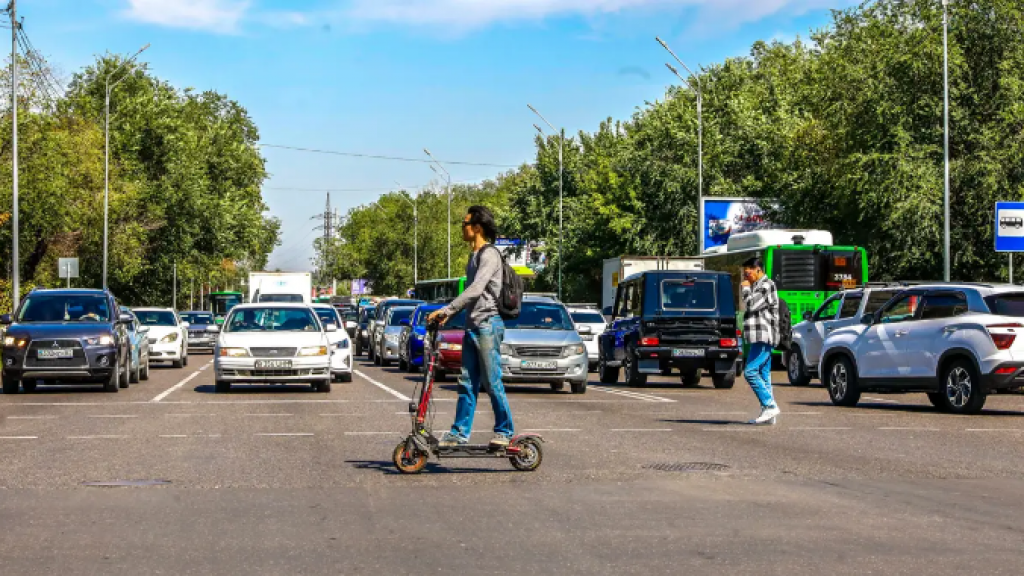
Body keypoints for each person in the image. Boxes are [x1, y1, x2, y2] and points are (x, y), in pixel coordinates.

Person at [427, 206, 515, 448]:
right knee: (467, 381)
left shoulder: (490, 254)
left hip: (488, 324)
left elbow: (476, 289)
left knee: (492, 381)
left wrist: (447, 310)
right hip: (473, 324)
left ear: (477, 227)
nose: (462, 228)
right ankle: (459, 433)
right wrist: (450, 316)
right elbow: (471, 294)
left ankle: (505, 431)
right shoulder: (473, 256)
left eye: (464, 224)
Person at [740, 257, 781, 425]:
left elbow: (751, 304)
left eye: (750, 269)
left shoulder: (766, 285)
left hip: (764, 335)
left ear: (758, 269)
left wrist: (745, 289)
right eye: (745, 270)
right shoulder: (758, 286)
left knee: (750, 372)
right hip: (759, 336)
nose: (747, 273)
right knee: (764, 374)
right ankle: (768, 412)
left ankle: (770, 405)